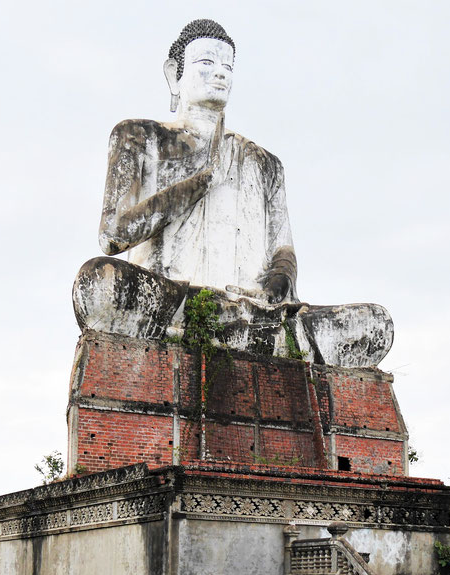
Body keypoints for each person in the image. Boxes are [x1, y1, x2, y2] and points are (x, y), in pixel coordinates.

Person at [74, 18, 393, 368]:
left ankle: (245, 332)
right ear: (173, 74)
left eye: (228, 66)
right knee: (98, 283)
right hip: (175, 300)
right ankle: (239, 334)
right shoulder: (139, 137)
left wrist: (273, 289)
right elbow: (113, 235)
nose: (220, 74)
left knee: (374, 323)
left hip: (254, 312)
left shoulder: (264, 162)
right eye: (206, 63)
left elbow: (283, 253)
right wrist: (200, 181)